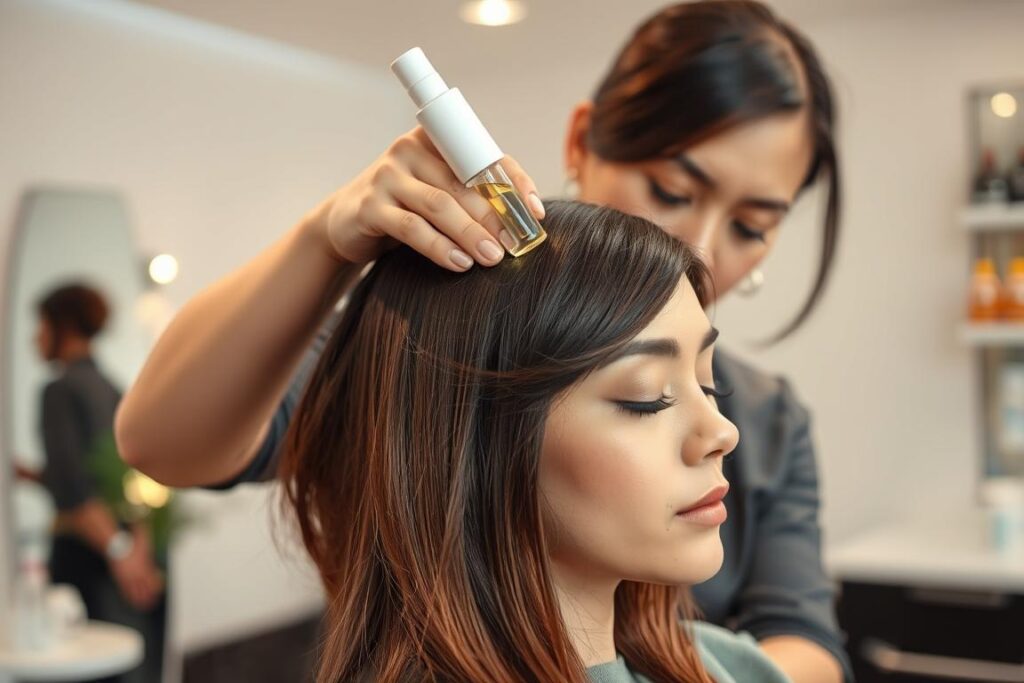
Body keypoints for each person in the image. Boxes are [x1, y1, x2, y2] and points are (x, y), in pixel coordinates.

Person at [116, 2, 848, 680]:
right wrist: (324, 241)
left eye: (752, 226)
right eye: (671, 191)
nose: (701, 244)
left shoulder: (767, 425)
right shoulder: (436, 350)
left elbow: (806, 642)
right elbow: (163, 441)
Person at [282, 200, 788, 682]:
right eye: (647, 397)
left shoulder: (727, 667)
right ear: (479, 441)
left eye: (707, 382)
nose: (723, 432)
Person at [36, 283, 167, 683]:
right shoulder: (112, 388)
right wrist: (136, 548)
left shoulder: (58, 391)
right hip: (122, 550)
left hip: (86, 555)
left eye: (40, 325)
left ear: (64, 326)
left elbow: (74, 488)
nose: (36, 337)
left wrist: (119, 553)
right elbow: (136, 481)